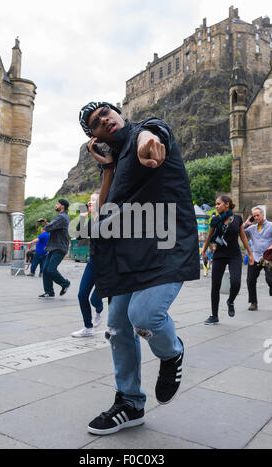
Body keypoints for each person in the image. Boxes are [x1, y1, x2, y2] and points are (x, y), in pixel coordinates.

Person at [79, 101, 200, 435]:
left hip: (164, 249)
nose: (105, 119)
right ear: (95, 136)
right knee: (117, 328)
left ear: (118, 114)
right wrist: (107, 168)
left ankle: (171, 353)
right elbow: (103, 215)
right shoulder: (115, 164)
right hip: (129, 258)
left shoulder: (144, 131)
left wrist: (148, 141)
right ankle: (130, 403)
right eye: (96, 123)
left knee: (144, 317)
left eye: (106, 112)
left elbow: (152, 133)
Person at [202, 196, 254, 325]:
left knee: (236, 282)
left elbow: (243, 237)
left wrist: (250, 253)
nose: (216, 206)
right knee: (215, 286)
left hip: (234, 255)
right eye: (216, 204)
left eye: (218, 204)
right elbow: (209, 237)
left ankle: (230, 301)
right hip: (219, 255)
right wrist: (204, 251)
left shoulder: (237, 219)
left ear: (227, 204)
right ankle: (214, 316)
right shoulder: (215, 219)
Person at [71, 193, 104, 337]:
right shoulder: (91, 220)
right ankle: (88, 327)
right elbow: (79, 235)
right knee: (82, 294)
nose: (89, 202)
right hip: (93, 261)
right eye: (89, 200)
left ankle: (99, 310)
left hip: (107, 264)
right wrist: (83, 216)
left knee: (95, 299)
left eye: (93, 200)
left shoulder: (108, 218)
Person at [38, 199, 71, 298]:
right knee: (46, 270)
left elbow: (49, 228)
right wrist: (45, 222)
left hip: (59, 247)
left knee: (51, 269)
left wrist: (45, 225)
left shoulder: (62, 217)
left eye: (58, 204)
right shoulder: (62, 217)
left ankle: (65, 283)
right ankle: (49, 292)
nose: (56, 205)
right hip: (54, 247)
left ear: (63, 206)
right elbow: (52, 226)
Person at [243, 207, 272, 311]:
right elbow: (239, 232)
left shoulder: (271, 226)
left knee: (270, 279)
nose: (256, 217)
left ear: (262, 215)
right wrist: (245, 224)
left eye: (257, 215)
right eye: (254, 216)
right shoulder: (252, 228)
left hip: (268, 258)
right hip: (255, 257)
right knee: (250, 280)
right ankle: (253, 302)